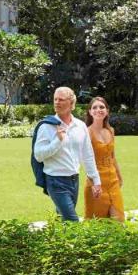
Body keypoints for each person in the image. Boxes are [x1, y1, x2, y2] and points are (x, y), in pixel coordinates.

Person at [33, 86, 101, 221]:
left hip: (74, 180)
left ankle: (55, 241)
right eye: (55, 99)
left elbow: (87, 155)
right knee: (72, 221)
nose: (57, 102)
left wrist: (96, 180)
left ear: (71, 103)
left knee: (63, 221)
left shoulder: (80, 126)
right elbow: (38, 155)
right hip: (55, 180)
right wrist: (57, 141)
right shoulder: (46, 126)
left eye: (61, 99)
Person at [84, 96, 125, 221]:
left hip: (112, 180)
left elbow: (112, 156)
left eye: (102, 107)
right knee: (97, 222)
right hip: (96, 181)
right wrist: (92, 183)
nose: (98, 110)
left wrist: (119, 176)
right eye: (94, 107)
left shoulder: (110, 130)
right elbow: (86, 160)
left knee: (118, 220)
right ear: (90, 112)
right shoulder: (86, 132)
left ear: (107, 111)